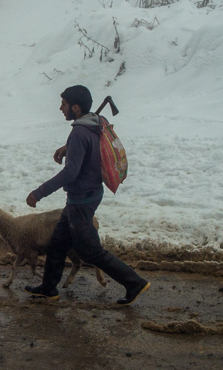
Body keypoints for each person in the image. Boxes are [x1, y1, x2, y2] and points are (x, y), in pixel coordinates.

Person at [23, 84, 149, 305]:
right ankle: (48, 288)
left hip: (82, 199)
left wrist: (39, 192)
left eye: (63, 104)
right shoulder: (94, 122)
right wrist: (67, 147)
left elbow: (71, 173)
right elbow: (85, 143)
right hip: (87, 195)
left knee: (91, 252)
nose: (60, 108)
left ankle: (134, 282)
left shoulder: (79, 132)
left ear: (76, 107)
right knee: (58, 243)